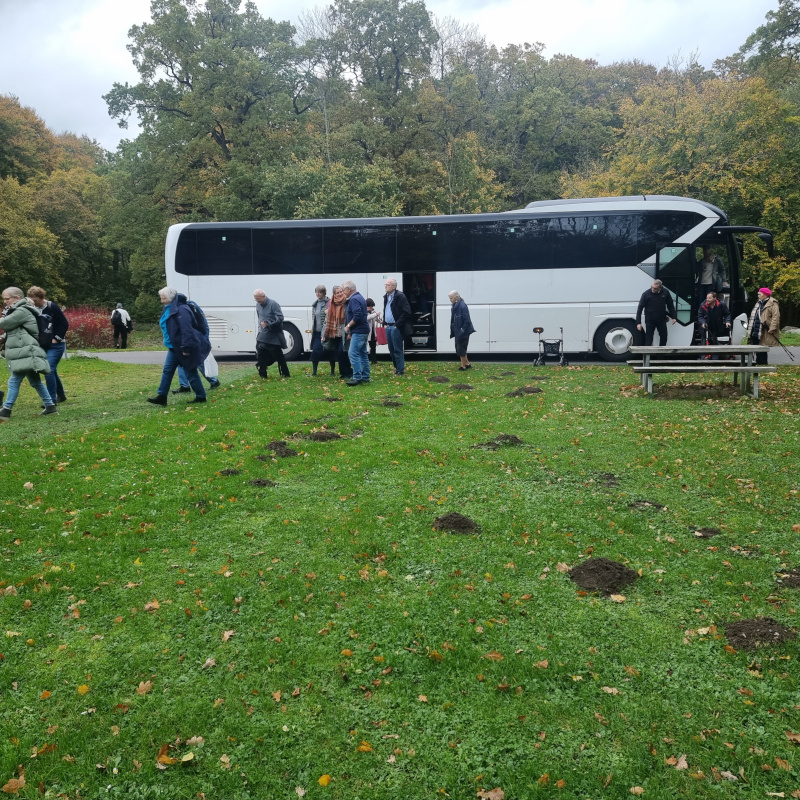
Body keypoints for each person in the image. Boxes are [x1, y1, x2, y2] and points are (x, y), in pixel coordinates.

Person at [0, 286, 56, 420]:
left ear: (17, 298)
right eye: (4, 299)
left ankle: (6, 410)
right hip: (24, 350)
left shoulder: (22, 310)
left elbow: (5, 324)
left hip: (26, 350)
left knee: (14, 380)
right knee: (35, 381)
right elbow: (15, 330)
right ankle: (50, 406)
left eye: (7, 299)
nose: (5, 302)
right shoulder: (17, 310)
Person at [147, 287, 210, 405]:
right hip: (173, 347)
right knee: (167, 370)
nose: (162, 301)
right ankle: (162, 396)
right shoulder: (168, 308)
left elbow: (186, 330)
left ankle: (201, 396)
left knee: (190, 372)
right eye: (161, 298)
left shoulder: (182, 309)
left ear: (171, 298)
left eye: (164, 298)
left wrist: (186, 348)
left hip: (182, 347)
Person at [27, 286, 69, 404]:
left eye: (35, 300)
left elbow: (64, 324)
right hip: (42, 344)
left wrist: (56, 338)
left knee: (48, 369)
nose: (33, 303)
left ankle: (51, 399)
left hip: (56, 344)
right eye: (31, 300)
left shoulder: (51, 307)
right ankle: (61, 394)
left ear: (41, 298)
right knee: (52, 370)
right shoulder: (31, 308)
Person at [171, 298, 220, 392]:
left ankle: (213, 380)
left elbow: (200, 324)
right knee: (181, 362)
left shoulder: (187, 308)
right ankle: (184, 385)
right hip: (188, 339)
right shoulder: (186, 307)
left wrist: (204, 339)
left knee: (199, 361)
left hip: (194, 339)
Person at [254, 289, 290, 379]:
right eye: (256, 299)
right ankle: (262, 373)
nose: (258, 301)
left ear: (264, 296)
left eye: (259, 299)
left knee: (277, 353)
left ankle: (285, 373)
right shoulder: (258, 305)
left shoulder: (273, 304)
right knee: (260, 351)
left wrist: (269, 324)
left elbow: (280, 317)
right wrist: (260, 329)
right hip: (263, 332)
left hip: (273, 332)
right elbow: (259, 317)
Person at [382, 278, 413, 376]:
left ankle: (400, 369)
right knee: (391, 349)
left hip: (396, 326)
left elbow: (406, 311)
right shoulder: (386, 296)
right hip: (388, 326)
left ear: (394, 287)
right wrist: (384, 322)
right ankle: (397, 368)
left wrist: (397, 325)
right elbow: (386, 310)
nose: (385, 286)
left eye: (388, 284)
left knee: (397, 349)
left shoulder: (400, 296)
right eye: (385, 284)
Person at [342, 280, 370, 385]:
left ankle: (357, 377)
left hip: (359, 331)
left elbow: (357, 315)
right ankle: (365, 376)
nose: (343, 292)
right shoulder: (360, 297)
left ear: (348, 289)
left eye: (344, 289)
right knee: (363, 354)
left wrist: (348, 326)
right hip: (363, 330)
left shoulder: (353, 299)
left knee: (352, 353)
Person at [321, 285, 352, 379]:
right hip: (335, 333)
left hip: (345, 333)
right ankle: (343, 373)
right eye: (337, 292)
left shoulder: (347, 303)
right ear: (334, 294)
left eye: (340, 292)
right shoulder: (332, 304)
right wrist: (323, 334)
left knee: (343, 353)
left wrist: (350, 332)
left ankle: (348, 372)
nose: (339, 294)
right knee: (339, 354)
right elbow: (326, 321)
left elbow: (350, 318)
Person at [636, 279, 676, 346]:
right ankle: (647, 355)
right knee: (649, 339)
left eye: (655, 288)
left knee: (664, 338)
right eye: (652, 287)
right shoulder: (646, 294)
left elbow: (670, 305)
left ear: (660, 287)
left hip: (661, 319)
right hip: (650, 320)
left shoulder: (665, 292)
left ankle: (660, 355)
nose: (653, 289)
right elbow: (640, 308)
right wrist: (638, 323)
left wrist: (673, 317)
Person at [747, 287, 780, 365]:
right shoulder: (758, 303)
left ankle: (763, 364)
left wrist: (772, 328)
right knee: (755, 346)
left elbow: (776, 316)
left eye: (760, 293)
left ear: (765, 295)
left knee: (763, 347)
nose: (758, 295)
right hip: (755, 329)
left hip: (765, 329)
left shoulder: (773, 303)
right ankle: (757, 363)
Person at [310, 285, 334, 376]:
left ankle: (332, 371)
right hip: (317, 332)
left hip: (327, 331)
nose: (317, 294)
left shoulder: (329, 303)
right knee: (315, 351)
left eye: (319, 292)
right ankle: (314, 371)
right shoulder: (315, 304)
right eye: (316, 292)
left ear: (324, 293)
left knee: (329, 350)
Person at [448, 290, 475, 370]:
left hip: (463, 331)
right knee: (459, 347)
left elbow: (467, 321)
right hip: (458, 330)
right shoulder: (455, 305)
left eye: (451, 298)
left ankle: (463, 366)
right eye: (449, 298)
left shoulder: (462, 306)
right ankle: (467, 363)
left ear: (456, 297)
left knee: (461, 348)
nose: (450, 300)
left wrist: (462, 331)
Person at [366, 298, 381, 365]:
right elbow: (368, 318)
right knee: (365, 347)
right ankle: (366, 360)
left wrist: (381, 321)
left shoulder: (373, 312)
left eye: (372, 307)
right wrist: (376, 314)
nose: (371, 308)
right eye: (370, 306)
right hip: (367, 332)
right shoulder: (364, 312)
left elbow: (376, 319)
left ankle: (374, 360)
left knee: (373, 347)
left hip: (372, 333)